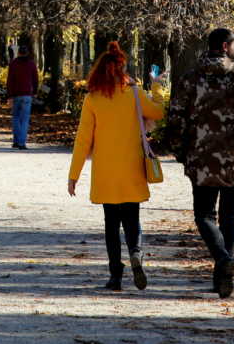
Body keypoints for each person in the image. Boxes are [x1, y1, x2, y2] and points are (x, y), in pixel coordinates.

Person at [167, 27, 234, 298]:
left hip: (201, 159)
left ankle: (223, 265)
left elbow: (176, 118)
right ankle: (225, 267)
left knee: (203, 215)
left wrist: (180, 152)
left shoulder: (190, 79)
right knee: (229, 217)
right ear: (225, 46)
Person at [67, 42, 164, 291]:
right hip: (131, 167)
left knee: (111, 224)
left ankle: (115, 275)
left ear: (98, 71)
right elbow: (158, 112)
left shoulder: (93, 98)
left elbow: (83, 139)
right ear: (123, 69)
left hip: (106, 171)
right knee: (132, 218)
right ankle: (136, 253)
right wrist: (157, 87)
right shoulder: (134, 93)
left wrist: (74, 175)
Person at [7, 37, 40, 149]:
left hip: (16, 94)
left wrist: (9, 95)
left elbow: (10, 80)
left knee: (16, 118)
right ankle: (22, 142)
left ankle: (16, 141)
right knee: (25, 119)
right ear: (27, 53)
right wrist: (35, 91)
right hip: (27, 94)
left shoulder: (14, 64)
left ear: (18, 53)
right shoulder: (31, 64)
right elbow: (35, 79)